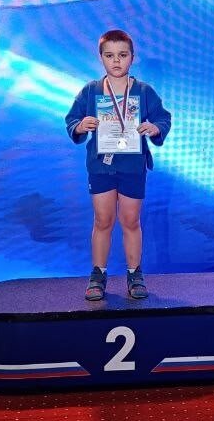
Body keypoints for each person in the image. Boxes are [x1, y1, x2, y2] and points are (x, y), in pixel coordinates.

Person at [65, 29, 171, 301]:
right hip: (101, 166)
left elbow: (163, 118)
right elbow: (72, 119)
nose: (116, 61)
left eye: (122, 55)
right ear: (100, 57)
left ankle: (135, 274)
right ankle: (98, 274)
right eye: (109, 55)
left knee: (131, 220)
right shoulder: (91, 90)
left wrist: (155, 128)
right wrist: (81, 125)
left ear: (132, 57)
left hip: (133, 165)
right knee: (103, 220)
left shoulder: (144, 91)